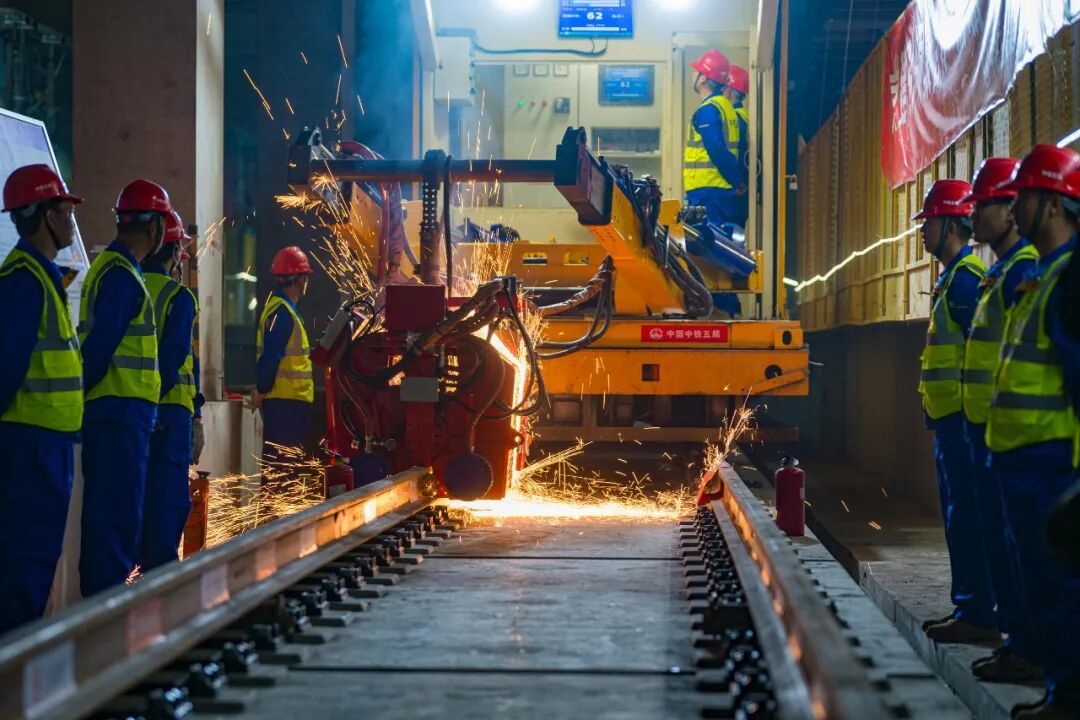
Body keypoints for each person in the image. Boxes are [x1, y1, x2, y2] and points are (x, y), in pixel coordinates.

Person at [987, 145, 1080, 719]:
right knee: (1037, 581)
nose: (1014, 206)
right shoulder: (1041, 277)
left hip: (1051, 459)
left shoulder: (1068, 280)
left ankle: (1069, 696)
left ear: (1052, 205)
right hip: (1020, 456)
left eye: (1023, 196)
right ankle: (1054, 684)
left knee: (1059, 583)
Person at [958, 158, 1042, 681]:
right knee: (1001, 539)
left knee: (1024, 550)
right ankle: (1016, 642)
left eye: (983, 205)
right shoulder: (1001, 272)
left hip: (1026, 437)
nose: (974, 215)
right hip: (989, 428)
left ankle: (1032, 653)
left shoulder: (1026, 272)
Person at [0, 165, 83, 633]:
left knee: (36, 561)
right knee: (24, 566)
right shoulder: (22, 282)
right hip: (28, 446)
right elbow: (5, 368)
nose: (71, 220)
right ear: (45, 216)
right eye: (65, 211)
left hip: (47, 444)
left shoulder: (42, 277)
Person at [915, 179, 997, 643]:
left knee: (967, 516)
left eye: (929, 222)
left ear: (949, 225)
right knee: (960, 516)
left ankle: (977, 612)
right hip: (951, 421)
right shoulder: (953, 279)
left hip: (964, 424)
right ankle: (971, 607)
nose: (922, 231)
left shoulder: (966, 280)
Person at [79, 179, 169, 596]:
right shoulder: (122, 277)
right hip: (118, 415)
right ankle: (106, 615)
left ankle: (104, 610)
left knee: (113, 520)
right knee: (114, 522)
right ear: (154, 228)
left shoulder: (114, 270)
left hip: (119, 415)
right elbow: (99, 352)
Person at [139, 209, 197, 571]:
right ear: (174, 251)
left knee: (138, 496)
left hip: (135, 407)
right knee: (169, 499)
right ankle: (159, 576)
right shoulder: (179, 296)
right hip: (170, 412)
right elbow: (175, 359)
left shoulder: (127, 283)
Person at [256, 246, 314, 473]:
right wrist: (262, 389)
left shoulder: (284, 310)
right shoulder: (282, 313)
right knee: (283, 472)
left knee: (284, 471)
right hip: (285, 406)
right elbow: (272, 356)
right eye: (305, 276)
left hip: (288, 405)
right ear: (300, 279)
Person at [684, 49, 745, 227]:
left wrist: (737, 181)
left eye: (696, 71)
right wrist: (736, 180)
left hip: (708, 192)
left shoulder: (708, 109)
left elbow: (716, 149)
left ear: (703, 78)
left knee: (708, 242)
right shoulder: (725, 106)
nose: (693, 74)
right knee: (722, 240)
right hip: (721, 191)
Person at [727, 64, 751, 228]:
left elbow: (738, 151)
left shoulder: (734, 119)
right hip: (740, 188)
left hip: (735, 190)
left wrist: (738, 182)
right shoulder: (742, 116)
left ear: (729, 91)